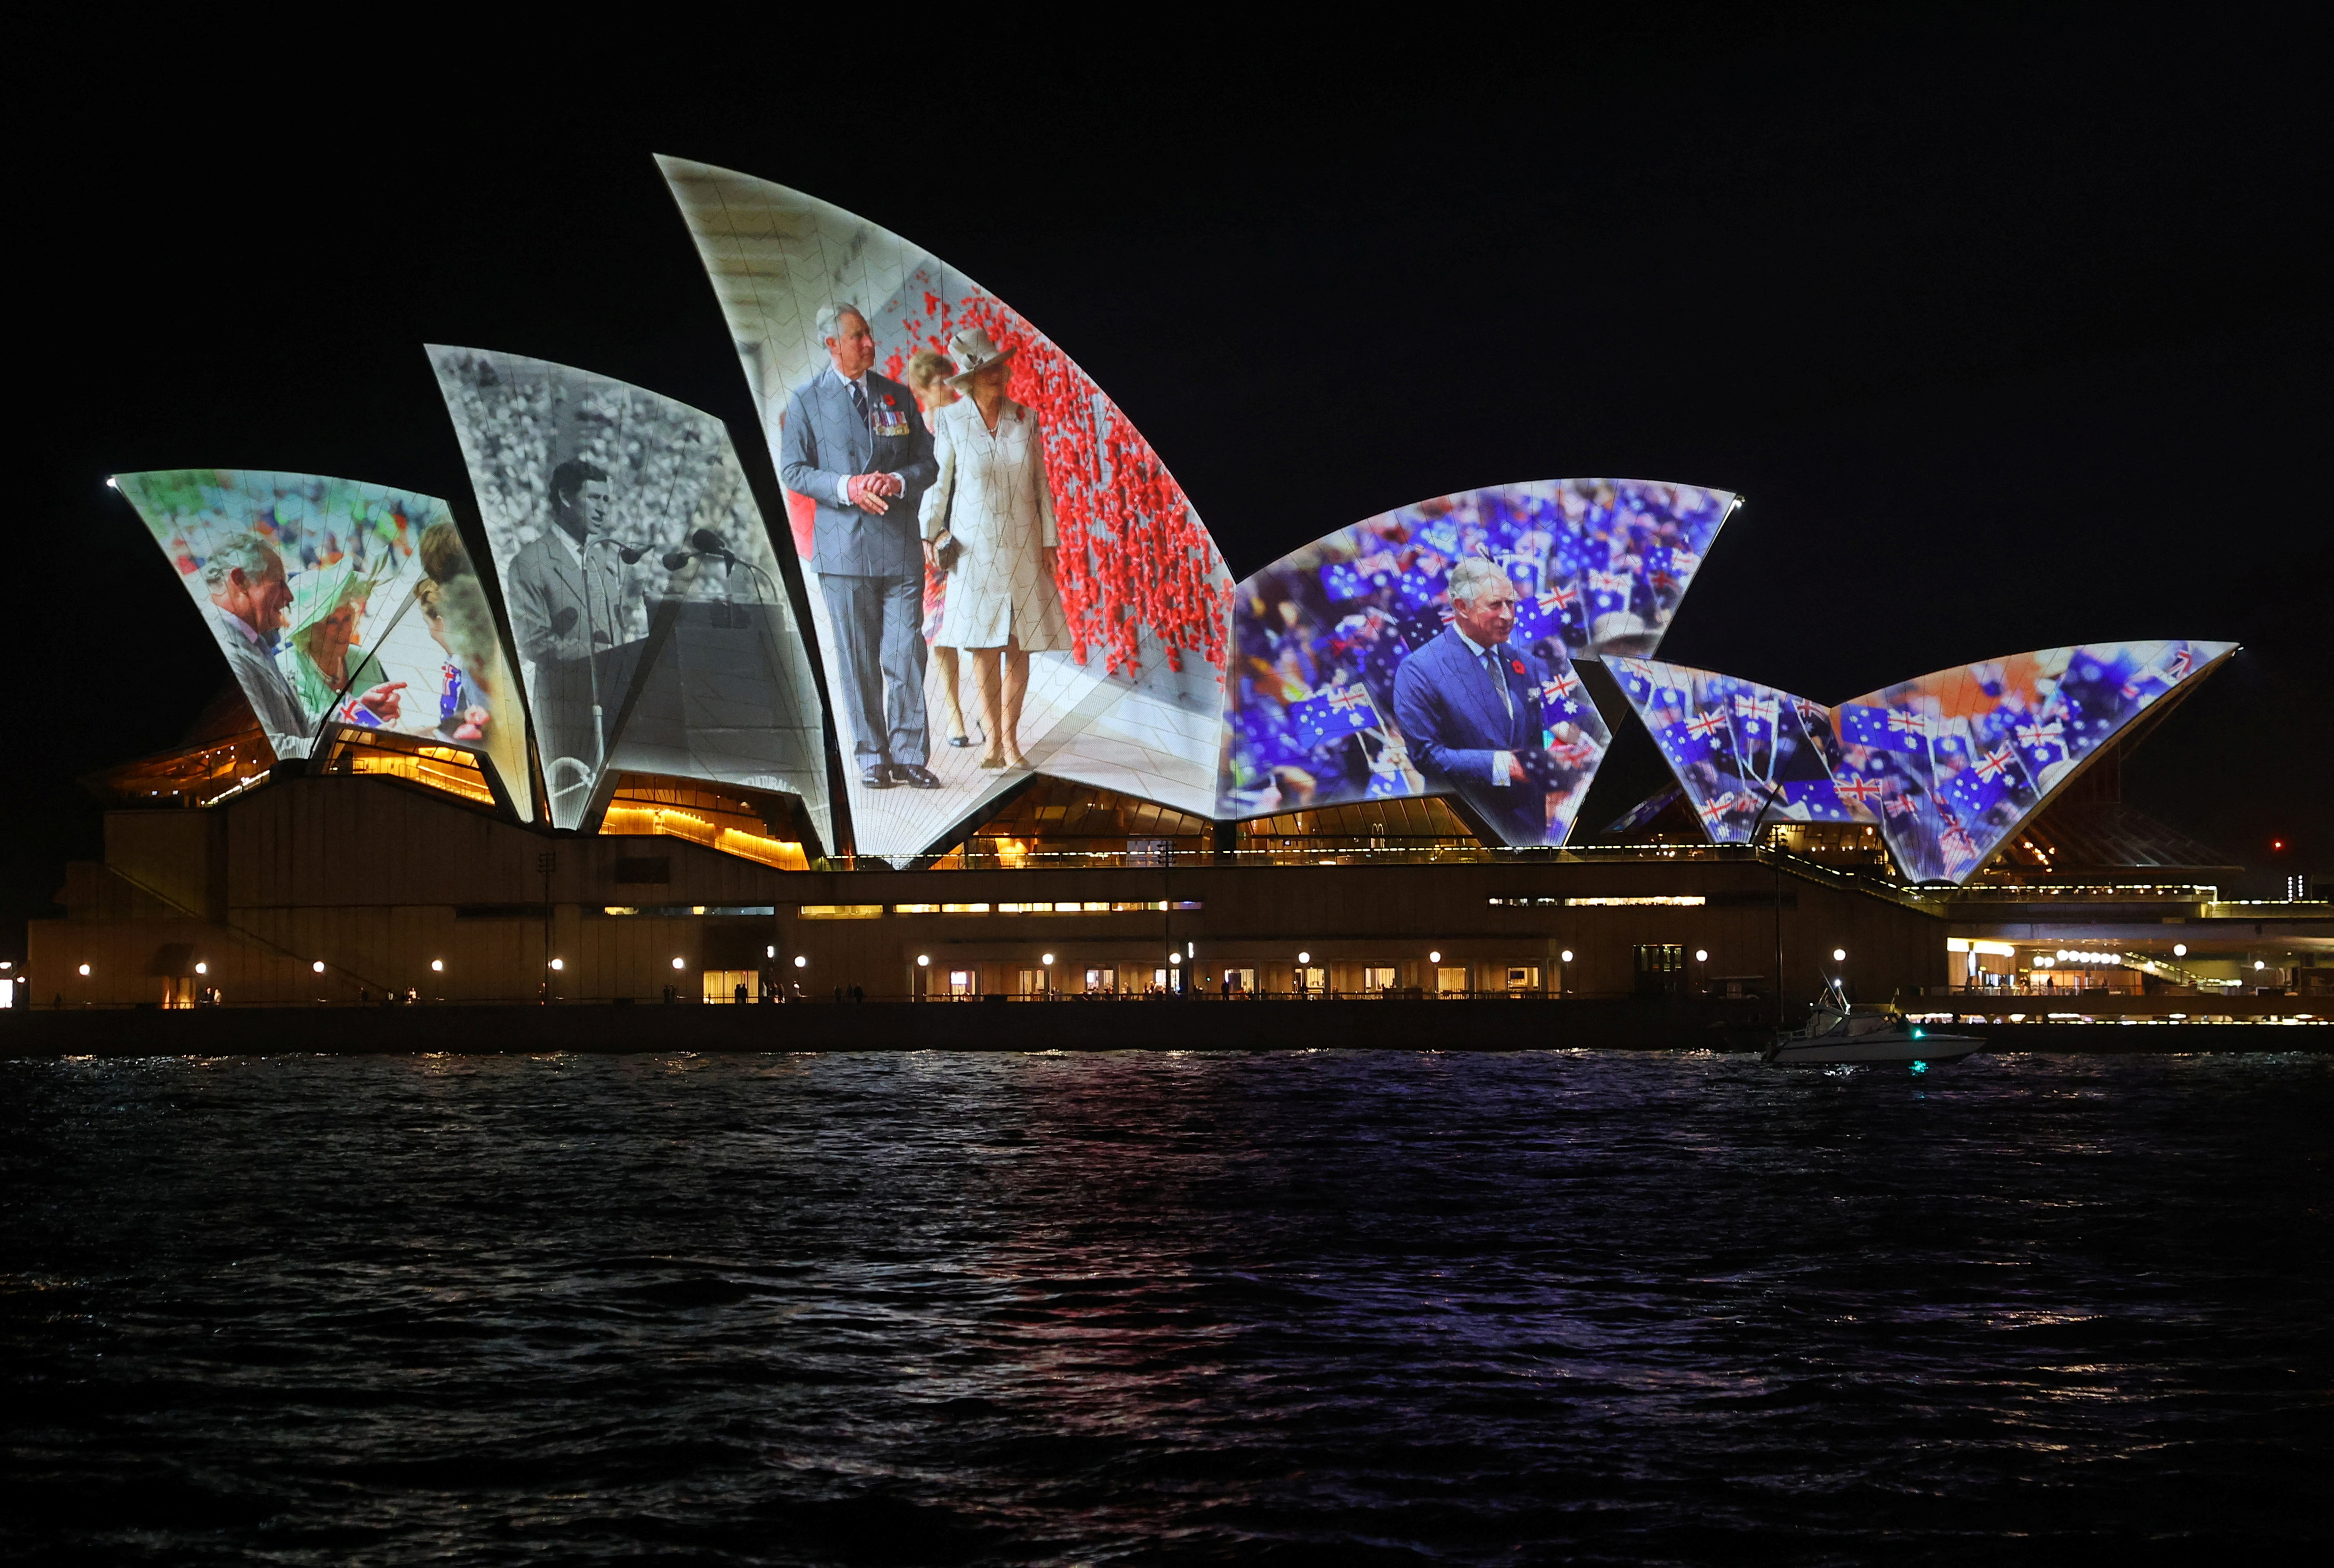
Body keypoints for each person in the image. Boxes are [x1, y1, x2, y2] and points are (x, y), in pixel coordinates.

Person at [780, 302, 941, 790]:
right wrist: (847, 486)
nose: (870, 344)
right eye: (857, 337)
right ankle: (873, 756)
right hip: (843, 552)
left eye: (868, 334)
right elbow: (793, 470)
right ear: (832, 344)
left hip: (897, 548)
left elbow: (927, 464)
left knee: (905, 653)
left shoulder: (896, 396)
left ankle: (910, 753)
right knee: (857, 658)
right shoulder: (806, 401)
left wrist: (895, 479)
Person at [919, 327, 1072, 771]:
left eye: (998, 368)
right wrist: (929, 533)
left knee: (1019, 644)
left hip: (1023, 548)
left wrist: (1050, 541)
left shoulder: (1026, 419)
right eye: (986, 371)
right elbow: (939, 484)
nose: (998, 376)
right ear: (968, 379)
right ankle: (991, 743)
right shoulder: (951, 421)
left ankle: (1011, 740)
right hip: (975, 551)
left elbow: (1042, 485)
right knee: (983, 647)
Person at [1392, 556, 1559, 845]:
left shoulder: (1527, 664)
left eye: (1512, 604)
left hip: (1529, 829)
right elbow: (1426, 755)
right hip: (1464, 829)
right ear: (1461, 607)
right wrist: (1500, 765)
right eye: (1495, 605)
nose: (1508, 615)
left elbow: (1537, 735)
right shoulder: (1419, 669)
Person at [503, 460, 637, 814]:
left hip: (612, 708)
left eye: (607, 499)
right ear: (565, 496)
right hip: (565, 711)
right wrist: (604, 653)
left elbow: (617, 632)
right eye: (594, 497)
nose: (603, 507)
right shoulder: (530, 563)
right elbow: (535, 643)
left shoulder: (603, 561)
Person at [904, 348, 974, 752]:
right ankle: (955, 716)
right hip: (934, 544)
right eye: (939, 382)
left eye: (950, 378)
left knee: (984, 628)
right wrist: (924, 535)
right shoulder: (919, 436)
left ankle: (984, 707)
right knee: (942, 633)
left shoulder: (972, 423)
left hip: (973, 536)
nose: (948, 387)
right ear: (924, 391)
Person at [199, 531, 312, 757]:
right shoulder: (226, 652)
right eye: (279, 583)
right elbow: (267, 750)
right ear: (240, 581)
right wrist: (339, 748)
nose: (289, 596)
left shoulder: (255, 642)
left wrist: (358, 715)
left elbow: (298, 726)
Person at [285, 562, 404, 727]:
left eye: (347, 619)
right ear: (308, 630)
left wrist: (389, 707)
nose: (345, 629)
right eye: (333, 622)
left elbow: (386, 716)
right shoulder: (287, 669)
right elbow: (302, 730)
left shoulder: (365, 660)